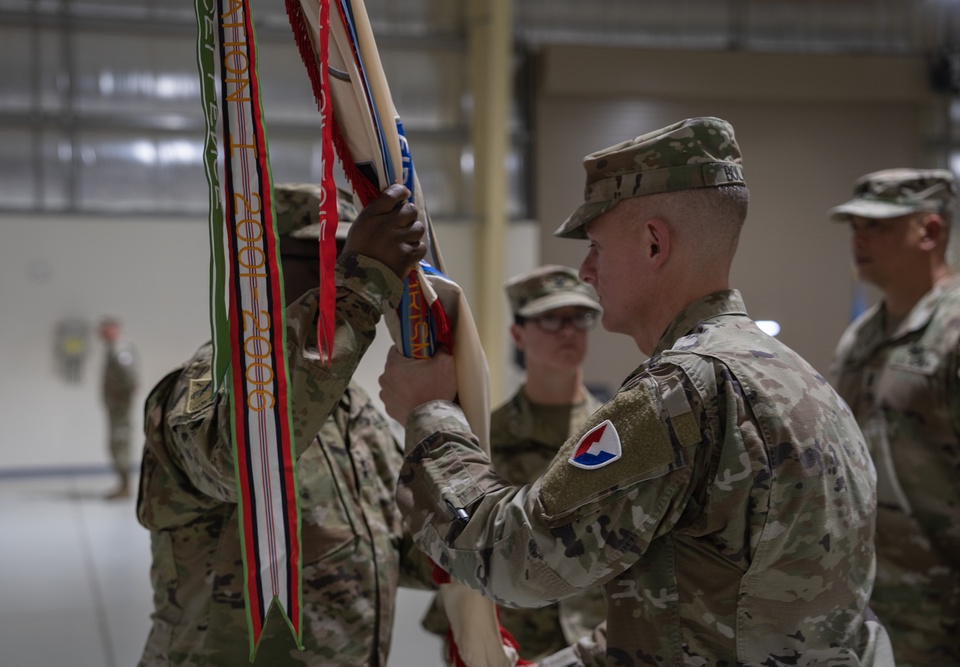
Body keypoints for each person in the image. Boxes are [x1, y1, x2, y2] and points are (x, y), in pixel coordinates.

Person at [380, 117, 895, 666]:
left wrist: (429, 414)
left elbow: (518, 559)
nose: (586, 270)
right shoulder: (798, 378)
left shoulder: (685, 391)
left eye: (597, 247)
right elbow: (684, 617)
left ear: (653, 243)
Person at [136, 183, 431, 666]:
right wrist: (366, 280)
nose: (336, 277)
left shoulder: (357, 414)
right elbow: (240, 464)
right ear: (259, 269)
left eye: (345, 257)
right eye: (318, 256)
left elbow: (404, 556)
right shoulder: (209, 385)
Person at [420, 265, 606, 662]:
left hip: (598, 645)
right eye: (550, 318)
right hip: (511, 645)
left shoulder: (611, 435)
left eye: (579, 318)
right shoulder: (483, 439)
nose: (568, 330)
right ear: (518, 333)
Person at [828, 169, 960, 666]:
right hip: (869, 606)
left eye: (878, 225)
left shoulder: (952, 331)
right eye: (855, 226)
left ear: (930, 231)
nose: (859, 238)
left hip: (944, 612)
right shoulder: (861, 337)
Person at [98, 315, 138, 500]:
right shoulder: (112, 349)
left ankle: (125, 487)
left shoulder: (120, 349)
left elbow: (129, 374)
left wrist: (127, 394)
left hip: (121, 407)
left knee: (120, 443)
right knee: (117, 444)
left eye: (107, 329)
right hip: (116, 407)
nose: (103, 333)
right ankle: (123, 485)